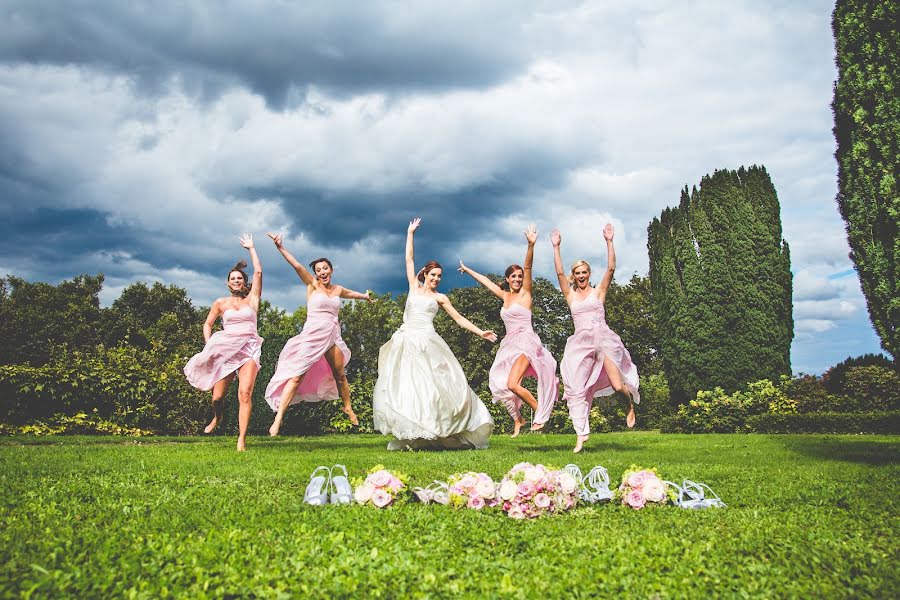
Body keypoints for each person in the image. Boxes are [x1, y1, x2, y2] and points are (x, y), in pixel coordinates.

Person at [373, 218, 496, 450]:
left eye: (439, 276)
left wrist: (480, 332)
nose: (436, 279)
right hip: (407, 341)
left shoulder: (441, 298)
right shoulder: (412, 287)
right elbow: (408, 258)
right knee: (409, 386)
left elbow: (458, 319)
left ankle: (441, 430)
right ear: (425, 274)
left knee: (436, 388)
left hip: (429, 342)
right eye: (433, 275)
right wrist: (410, 233)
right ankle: (413, 434)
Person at [264, 233, 371, 436]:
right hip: (312, 335)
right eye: (318, 270)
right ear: (315, 273)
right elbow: (296, 265)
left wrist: (365, 296)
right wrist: (280, 247)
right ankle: (278, 419)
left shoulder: (338, 289)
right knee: (296, 378)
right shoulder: (312, 285)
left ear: (331, 270)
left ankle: (347, 406)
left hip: (331, 335)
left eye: (325, 268)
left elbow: (353, 294)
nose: (322, 272)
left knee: (340, 374)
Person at [458, 224, 558, 437]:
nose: (517, 279)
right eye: (513, 277)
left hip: (526, 341)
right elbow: (486, 282)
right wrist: (467, 270)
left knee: (513, 383)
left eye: (520, 277)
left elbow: (528, 267)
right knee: (501, 382)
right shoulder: (505, 296)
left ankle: (540, 412)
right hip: (510, 343)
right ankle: (519, 419)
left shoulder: (525, 294)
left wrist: (531, 245)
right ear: (507, 279)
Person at [551, 224, 639, 453]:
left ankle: (629, 405)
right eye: (577, 273)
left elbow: (610, 268)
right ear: (575, 275)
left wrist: (609, 241)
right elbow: (559, 274)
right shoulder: (570, 295)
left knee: (618, 385)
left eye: (584, 272)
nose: (581, 276)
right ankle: (581, 434)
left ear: (588, 274)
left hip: (603, 342)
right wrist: (556, 247)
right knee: (575, 389)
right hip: (581, 345)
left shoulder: (598, 291)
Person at [184, 234, 263, 452]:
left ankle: (241, 440)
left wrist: (252, 248)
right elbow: (207, 324)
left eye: (240, 278)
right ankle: (218, 417)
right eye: (233, 279)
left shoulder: (252, 300)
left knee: (244, 393)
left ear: (244, 282)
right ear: (228, 283)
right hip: (226, 351)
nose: (237, 281)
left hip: (249, 349)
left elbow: (258, 272)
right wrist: (210, 346)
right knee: (217, 397)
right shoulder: (220, 303)